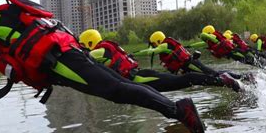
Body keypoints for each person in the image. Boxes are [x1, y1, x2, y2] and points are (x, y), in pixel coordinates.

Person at [0, 0, 205, 133]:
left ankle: (179, 111)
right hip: (69, 56)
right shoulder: (14, 24)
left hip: (63, 61)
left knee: (117, 90)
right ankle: (180, 110)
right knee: (123, 87)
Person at [78, 29, 243, 92]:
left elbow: (84, 57)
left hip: (141, 78)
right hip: (143, 76)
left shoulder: (99, 50)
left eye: (85, 45)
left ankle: (224, 80)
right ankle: (231, 79)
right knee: (189, 79)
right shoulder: (106, 49)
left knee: (189, 79)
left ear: (90, 43)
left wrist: (142, 51)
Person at [138, 31, 253, 83]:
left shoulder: (164, 44)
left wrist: (134, 54)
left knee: (214, 74)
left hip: (191, 63)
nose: (152, 47)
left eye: (153, 44)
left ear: (157, 41)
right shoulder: (167, 46)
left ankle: (242, 77)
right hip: (190, 64)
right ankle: (241, 78)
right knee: (214, 73)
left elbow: (151, 52)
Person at [190, 25, 266, 76]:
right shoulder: (211, 41)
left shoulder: (214, 37)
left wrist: (203, 35)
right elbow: (201, 43)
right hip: (235, 54)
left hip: (237, 52)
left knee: (254, 61)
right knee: (254, 61)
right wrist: (189, 46)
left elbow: (205, 36)